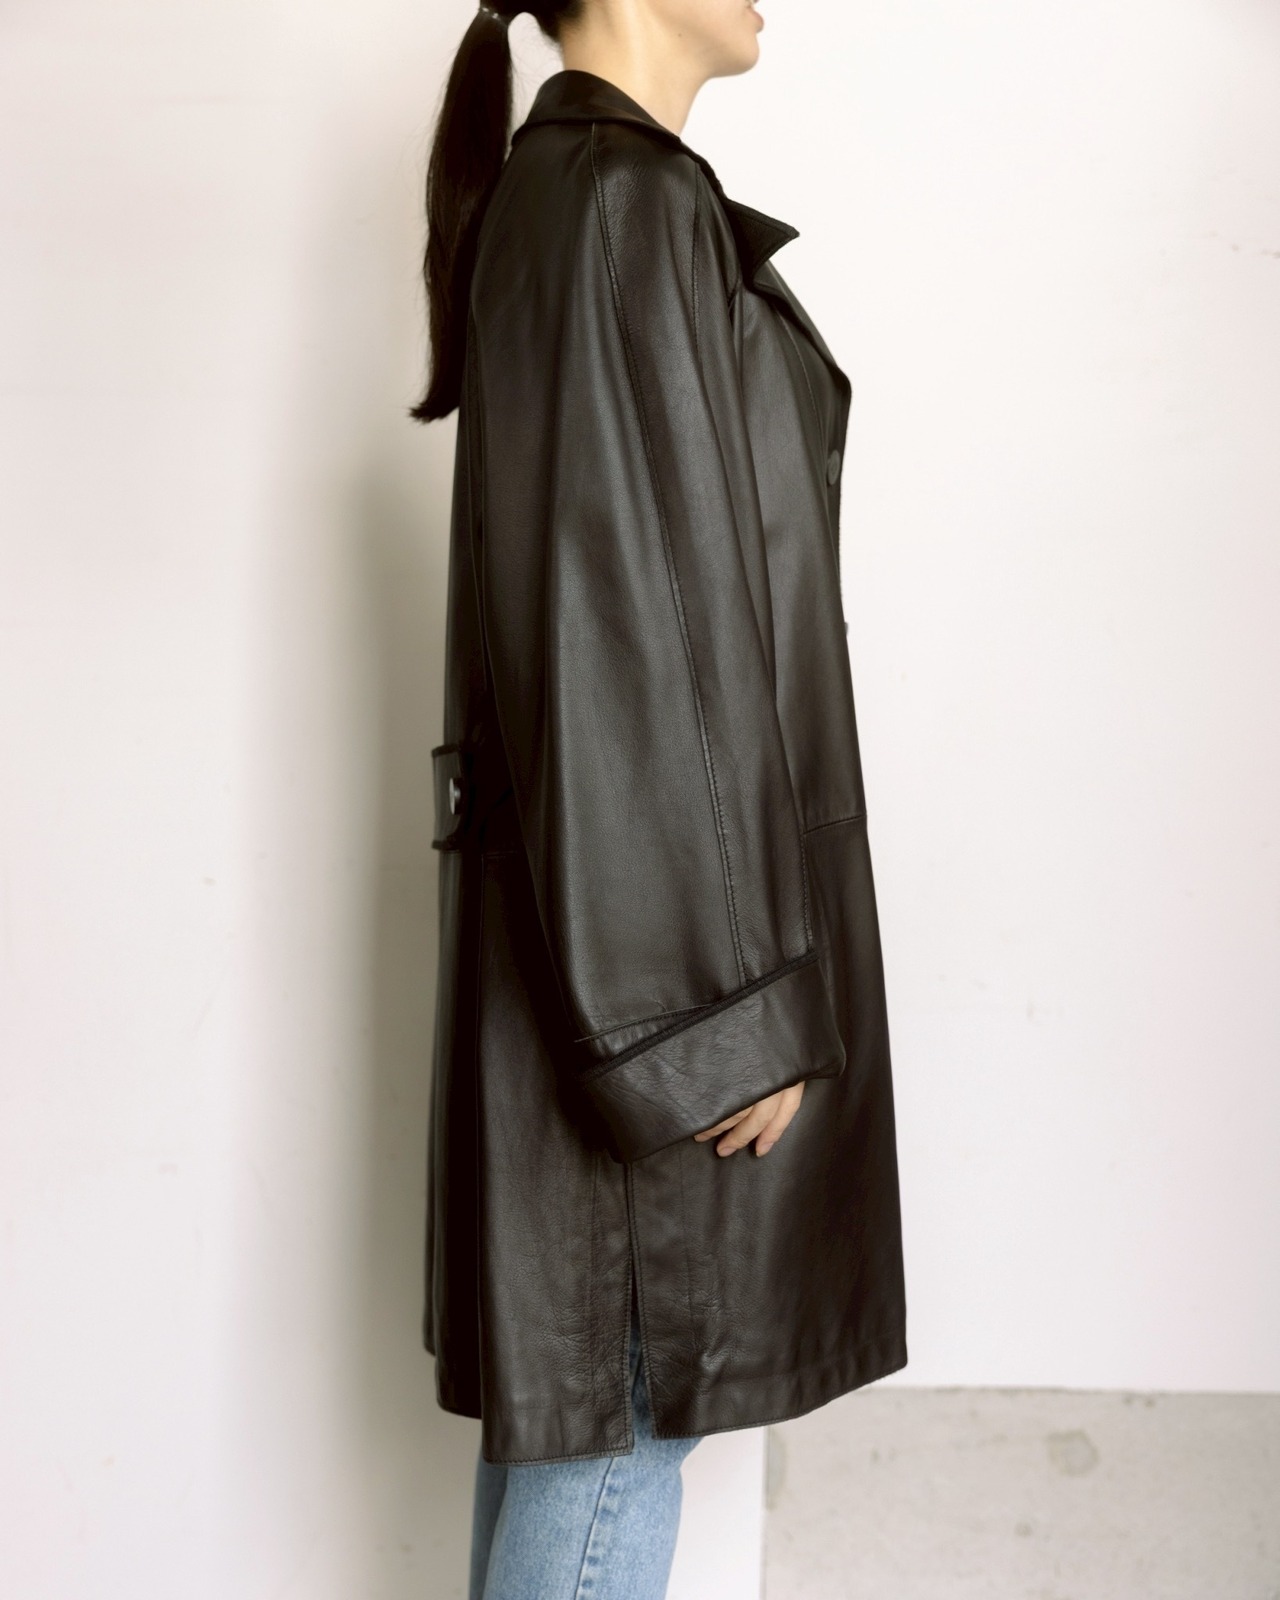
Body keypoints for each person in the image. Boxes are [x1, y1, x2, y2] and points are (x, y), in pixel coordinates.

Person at [411, 0, 909, 1594]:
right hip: (657, 963)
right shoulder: (615, 199)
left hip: (623, 944)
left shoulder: (590, 194)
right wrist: (720, 1007)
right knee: (610, 1446)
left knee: (584, 1439)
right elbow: (626, 644)